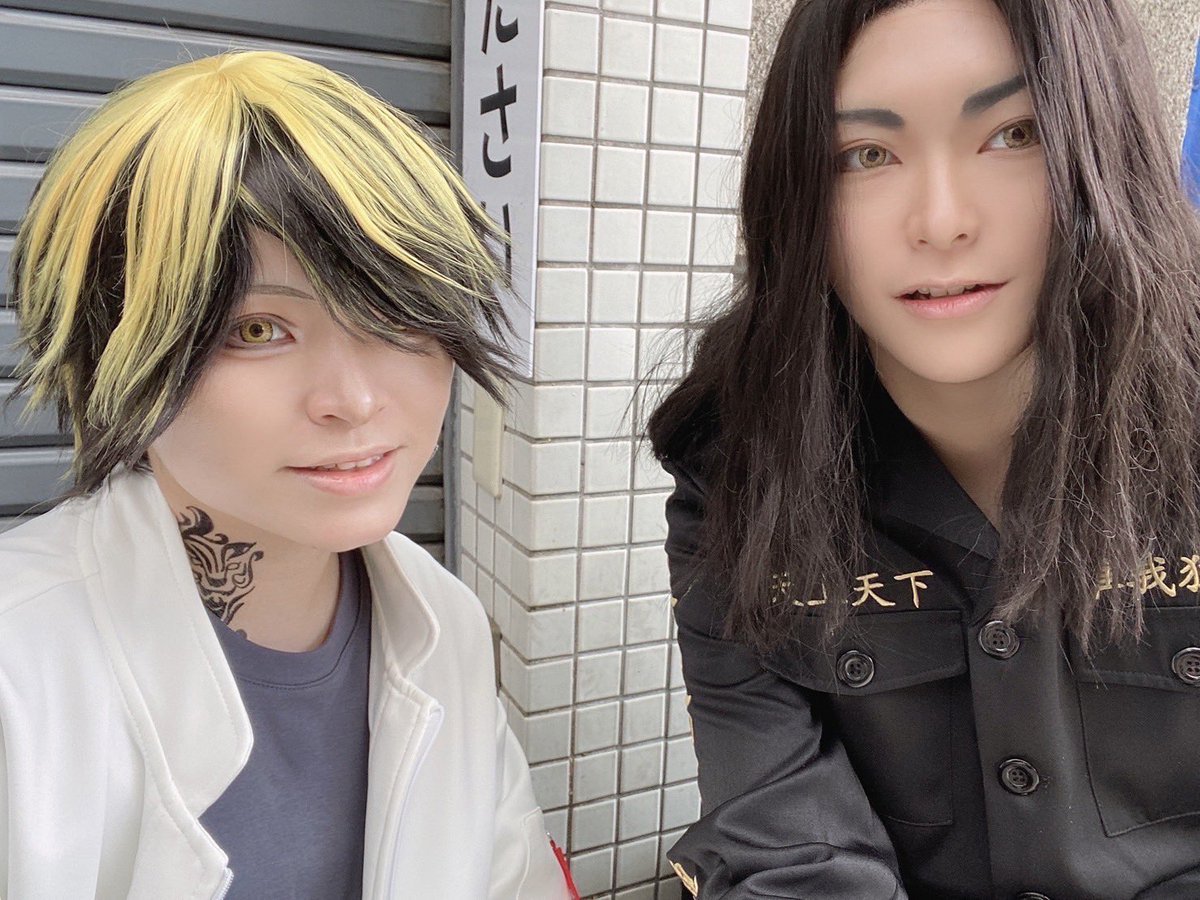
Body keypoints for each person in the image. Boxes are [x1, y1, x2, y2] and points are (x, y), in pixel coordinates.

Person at [649, 0, 1200, 897]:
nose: (941, 222)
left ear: (1106, 147)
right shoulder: (738, 464)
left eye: (1014, 134)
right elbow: (788, 844)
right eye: (866, 154)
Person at [0, 51, 573, 898]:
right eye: (258, 330)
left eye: (397, 314)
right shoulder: (19, 665)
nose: (355, 399)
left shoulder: (441, 622)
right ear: (115, 345)